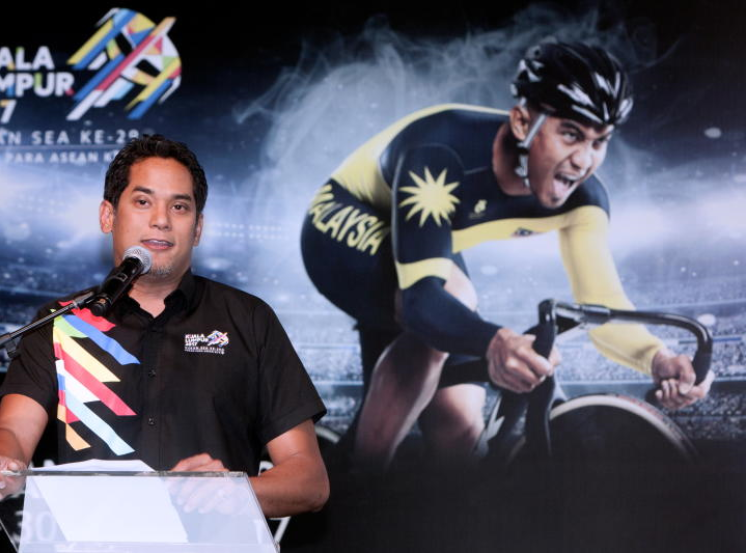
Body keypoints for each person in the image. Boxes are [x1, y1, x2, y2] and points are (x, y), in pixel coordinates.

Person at [300, 42, 713, 472]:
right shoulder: (441, 152)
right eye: (571, 134)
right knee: (453, 299)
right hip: (343, 224)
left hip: (421, 245)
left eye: (599, 141)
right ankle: (358, 486)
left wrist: (657, 358)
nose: (583, 161)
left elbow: (603, 304)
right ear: (521, 122)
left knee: (461, 428)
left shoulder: (585, 201)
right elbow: (423, 302)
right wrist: (497, 342)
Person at [0, 135, 330, 518]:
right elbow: (12, 432)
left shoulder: (249, 319)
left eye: (180, 206)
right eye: (143, 201)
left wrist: (235, 492)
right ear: (107, 216)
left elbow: (309, 480)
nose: (161, 220)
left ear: (198, 228)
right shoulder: (61, 322)